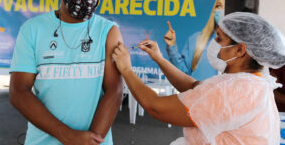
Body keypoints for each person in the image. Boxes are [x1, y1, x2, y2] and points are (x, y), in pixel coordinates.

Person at [112, 12, 285, 144]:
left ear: (240, 50)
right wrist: (158, 58)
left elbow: (156, 107)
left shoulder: (233, 91)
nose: (213, 43)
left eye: (219, 39)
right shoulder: (250, 83)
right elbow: (194, 87)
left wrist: (126, 69)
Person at [9, 0, 123, 145]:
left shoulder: (108, 31)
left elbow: (114, 90)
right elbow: (19, 91)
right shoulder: (32, 29)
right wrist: (67, 136)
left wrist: (91, 140)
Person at [164, 0, 225, 81]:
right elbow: (183, 74)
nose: (221, 10)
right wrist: (172, 47)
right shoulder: (196, 39)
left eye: (226, 6)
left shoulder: (240, 45)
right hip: (198, 93)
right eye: (218, 6)